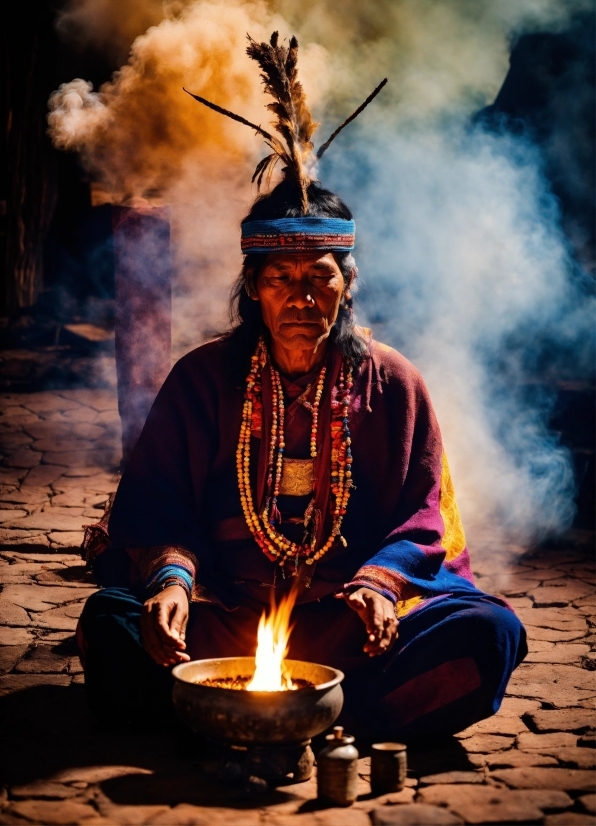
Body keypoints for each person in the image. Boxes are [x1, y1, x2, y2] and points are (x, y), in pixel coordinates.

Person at [78, 33, 526, 739]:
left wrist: (379, 589)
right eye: (281, 280)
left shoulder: (395, 383)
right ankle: (315, 716)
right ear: (253, 289)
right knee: (110, 624)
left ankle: (264, 717)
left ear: (348, 287)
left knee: (489, 632)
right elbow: (157, 506)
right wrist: (172, 584)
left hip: (347, 625)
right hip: (223, 616)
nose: (301, 298)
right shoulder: (201, 380)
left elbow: (423, 516)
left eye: (320, 277)